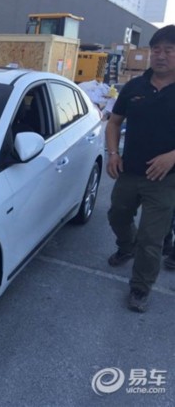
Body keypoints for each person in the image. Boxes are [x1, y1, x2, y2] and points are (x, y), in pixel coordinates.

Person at [105, 24, 175, 312]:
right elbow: (113, 122)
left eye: (169, 50)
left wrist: (172, 156)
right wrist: (112, 154)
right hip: (130, 171)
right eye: (156, 50)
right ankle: (126, 246)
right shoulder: (134, 87)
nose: (161, 55)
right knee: (117, 215)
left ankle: (140, 288)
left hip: (165, 179)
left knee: (151, 238)